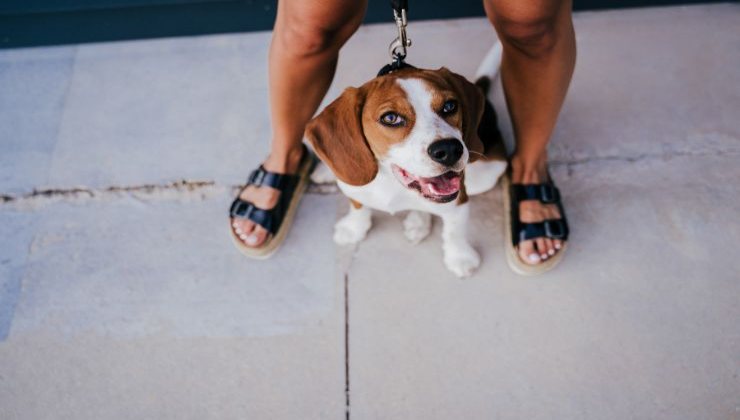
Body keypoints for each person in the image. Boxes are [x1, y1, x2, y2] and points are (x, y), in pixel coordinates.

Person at [229, 0, 576, 270]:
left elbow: (459, 203)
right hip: (371, 168)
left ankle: (527, 166)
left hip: (448, 181)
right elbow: (354, 178)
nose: (442, 140)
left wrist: (455, 245)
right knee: (309, 24)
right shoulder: (352, 159)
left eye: (447, 108)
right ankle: (287, 158)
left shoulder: (458, 147)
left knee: (531, 22)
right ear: (351, 134)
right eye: (392, 118)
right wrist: (357, 215)